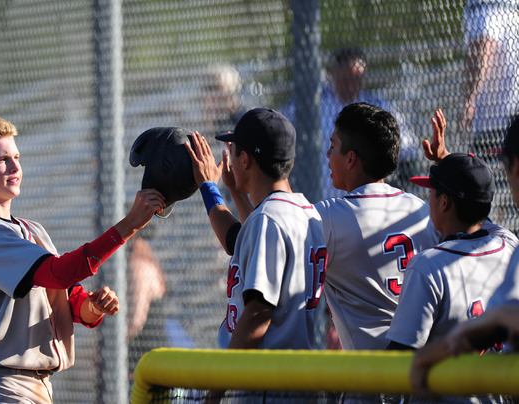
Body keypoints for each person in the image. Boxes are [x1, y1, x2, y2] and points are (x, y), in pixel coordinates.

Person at [0, 114, 164, 403]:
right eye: (3, 160)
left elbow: (69, 301)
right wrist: (128, 226)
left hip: (34, 384)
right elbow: (59, 273)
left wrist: (92, 306)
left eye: (17, 157)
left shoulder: (30, 229)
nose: (15, 167)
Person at [185, 108, 327, 351]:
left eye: (233, 150)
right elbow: (241, 240)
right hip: (296, 372)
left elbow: (257, 315)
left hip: (264, 380)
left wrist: (223, 382)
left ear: (246, 160)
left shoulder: (268, 220)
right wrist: (220, 190)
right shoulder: (306, 211)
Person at [312, 103, 445, 350]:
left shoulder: (327, 217)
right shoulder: (424, 209)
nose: (328, 156)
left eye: (333, 147)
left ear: (351, 159)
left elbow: (252, 241)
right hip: (425, 370)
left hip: (372, 376)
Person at [410, 115, 519, 397]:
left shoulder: (426, 265)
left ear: (516, 168)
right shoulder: (507, 243)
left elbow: (507, 316)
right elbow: (477, 209)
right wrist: (448, 164)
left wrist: (452, 342)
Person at [386, 153, 515, 351]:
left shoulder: (427, 265)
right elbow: (478, 210)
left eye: (431, 194)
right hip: (504, 379)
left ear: (444, 202)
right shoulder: (509, 248)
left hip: (455, 381)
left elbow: (401, 354)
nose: (428, 201)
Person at [282, 48, 415, 198]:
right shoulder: (314, 103)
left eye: (356, 79)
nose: (351, 86)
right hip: (319, 198)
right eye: (345, 80)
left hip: (366, 198)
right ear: (332, 75)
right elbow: (281, 127)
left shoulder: (376, 105)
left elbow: (407, 150)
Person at [461, 0, 519, 152]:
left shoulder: (483, 5)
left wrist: (470, 99)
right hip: (510, 121)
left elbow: (483, 46)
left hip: (492, 126)